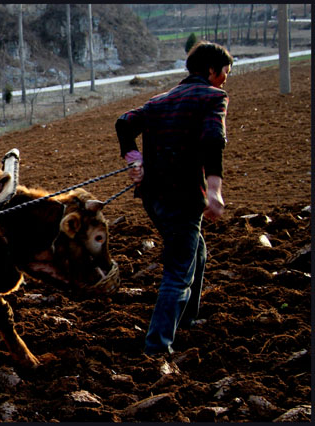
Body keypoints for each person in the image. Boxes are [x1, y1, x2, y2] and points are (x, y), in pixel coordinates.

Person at [115, 41, 233, 356]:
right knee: (179, 270)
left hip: (153, 198)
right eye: (225, 73)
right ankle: (157, 346)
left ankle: (188, 319)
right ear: (211, 71)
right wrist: (214, 190)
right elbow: (212, 140)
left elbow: (124, 123)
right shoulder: (213, 97)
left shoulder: (158, 101)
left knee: (197, 252)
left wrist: (135, 160)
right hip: (183, 198)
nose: (225, 79)